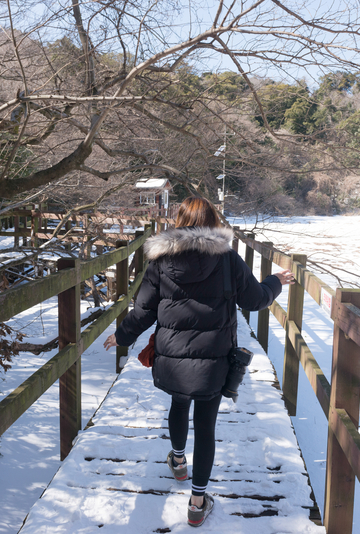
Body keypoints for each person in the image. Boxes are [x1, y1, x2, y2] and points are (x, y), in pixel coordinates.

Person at [104, 196, 294, 527]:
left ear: (179, 221)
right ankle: (196, 503)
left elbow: (144, 311)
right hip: (214, 359)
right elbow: (255, 299)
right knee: (206, 424)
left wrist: (121, 336)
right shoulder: (227, 259)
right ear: (212, 222)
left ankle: (178, 462)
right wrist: (275, 281)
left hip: (173, 358)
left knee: (179, 404)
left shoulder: (161, 261)